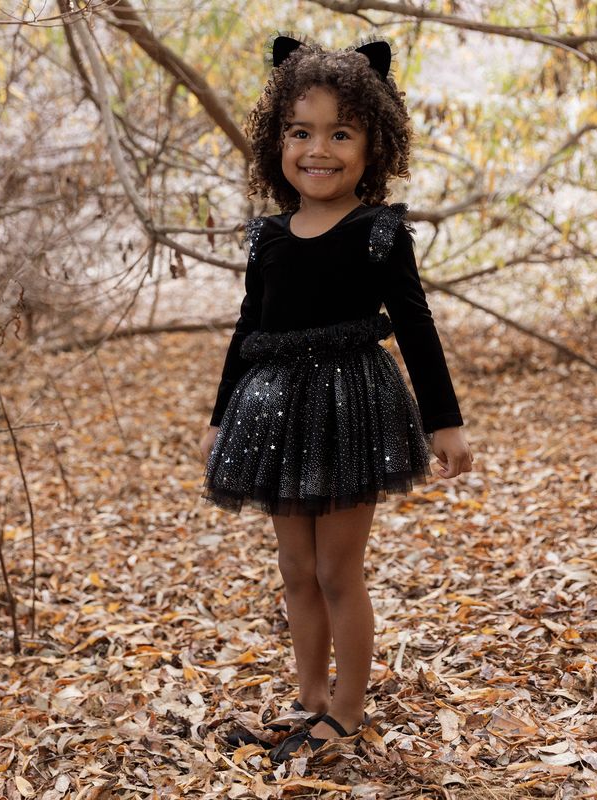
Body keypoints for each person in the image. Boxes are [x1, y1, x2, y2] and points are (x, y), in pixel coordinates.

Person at [199, 33, 473, 763]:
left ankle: (347, 710)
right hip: (277, 415)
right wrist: (222, 416)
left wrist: (444, 423)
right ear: (276, 143)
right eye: (301, 132)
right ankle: (309, 701)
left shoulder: (378, 233)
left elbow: (415, 326)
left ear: (373, 145)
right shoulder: (268, 239)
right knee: (294, 571)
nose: (318, 150)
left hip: (354, 408)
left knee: (334, 569)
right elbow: (248, 328)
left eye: (340, 133)